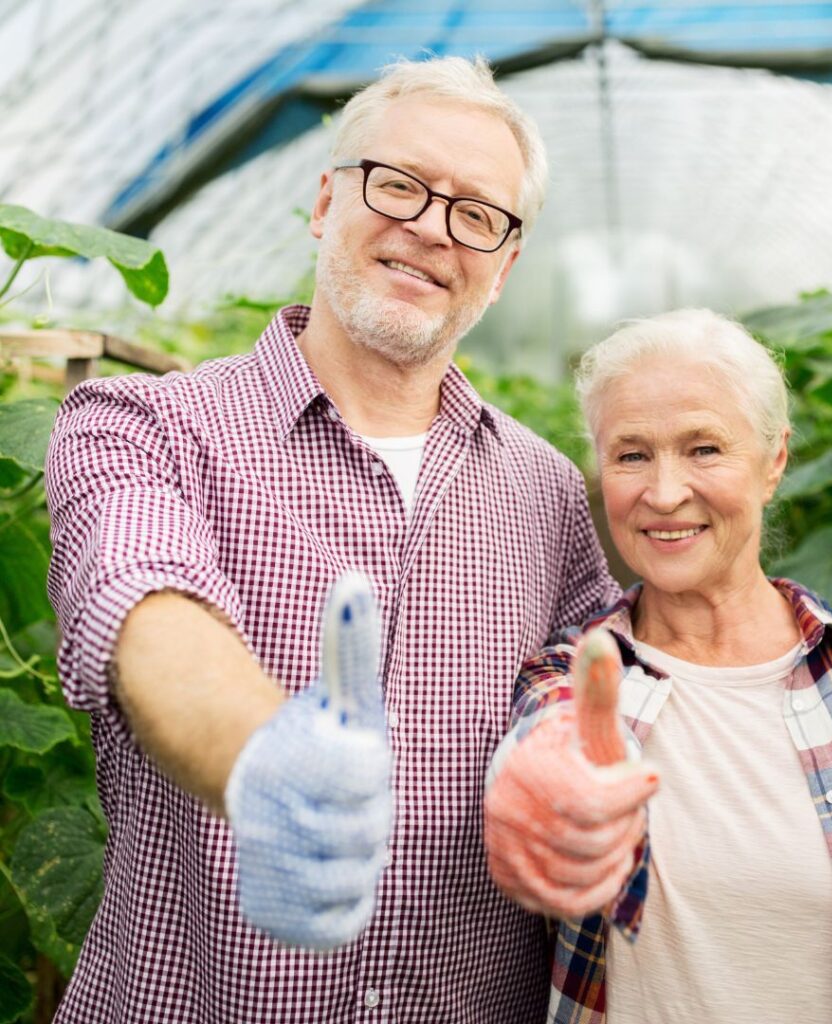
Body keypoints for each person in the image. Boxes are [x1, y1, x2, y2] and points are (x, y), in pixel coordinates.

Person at [44, 56, 619, 1024]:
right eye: (398, 184)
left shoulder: (547, 490)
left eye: (477, 213)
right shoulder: (141, 424)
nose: (432, 227)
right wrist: (262, 755)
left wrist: (567, 760)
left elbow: (588, 682)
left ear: (505, 261)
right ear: (324, 199)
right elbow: (142, 597)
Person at [484, 309, 832, 1023]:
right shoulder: (572, 681)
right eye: (631, 454)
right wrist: (545, 788)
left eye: (704, 448)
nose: (665, 491)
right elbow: (540, 754)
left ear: (774, 461)